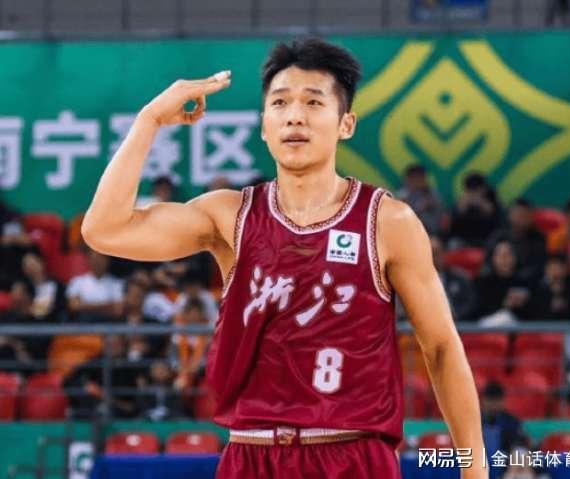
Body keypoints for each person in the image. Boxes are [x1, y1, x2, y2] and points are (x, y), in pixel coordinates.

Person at [82, 38, 487, 478]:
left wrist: (475, 469)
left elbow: (441, 348)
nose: (295, 115)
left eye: (313, 102)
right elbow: (105, 230)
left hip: (353, 455)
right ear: (263, 125)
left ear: (346, 123)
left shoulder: (388, 221)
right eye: (280, 102)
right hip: (251, 455)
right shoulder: (230, 215)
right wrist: (150, 120)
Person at [486, 199, 547, 281]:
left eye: (525, 216)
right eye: (518, 215)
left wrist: (514, 276)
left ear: (531, 217)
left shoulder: (538, 239)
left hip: (526, 282)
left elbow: (538, 267)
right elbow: (488, 262)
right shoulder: (498, 237)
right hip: (497, 280)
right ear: (510, 215)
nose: (521, 219)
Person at [449, 172, 503, 248]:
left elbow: (498, 220)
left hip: (486, 237)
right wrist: (462, 207)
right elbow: (452, 224)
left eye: (476, 189)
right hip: (464, 238)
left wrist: (481, 203)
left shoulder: (492, 199)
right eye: (471, 190)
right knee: (453, 243)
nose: (474, 193)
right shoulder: (463, 201)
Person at [430, 235, 476, 321]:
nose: (433, 258)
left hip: (457, 324)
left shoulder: (460, 278)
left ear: (444, 253)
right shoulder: (416, 281)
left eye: (437, 253)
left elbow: (470, 304)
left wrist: (456, 315)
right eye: (431, 253)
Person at [396, 164, 446, 235]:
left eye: (422, 177)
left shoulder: (431, 192)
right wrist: (419, 207)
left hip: (433, 232)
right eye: (416, 177)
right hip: (410, 232)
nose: (420, 180)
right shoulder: (402, 195)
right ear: (408, 179)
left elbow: (442, 210)